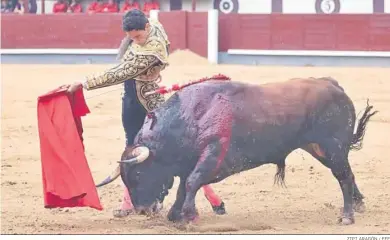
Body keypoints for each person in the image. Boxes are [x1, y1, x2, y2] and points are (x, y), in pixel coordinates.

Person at [64, 9, 170, 217]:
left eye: (138, 36)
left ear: (147, 28)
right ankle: (128, 202)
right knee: (130, 148)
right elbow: (154, 21)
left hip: (150, 104)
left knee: (158, 151)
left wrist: (85, 83)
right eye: (131, 38)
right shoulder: (152, 25)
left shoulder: (151, 50)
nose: (135, 41)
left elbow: (120, 72)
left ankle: (158, 198)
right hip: (131, 99)